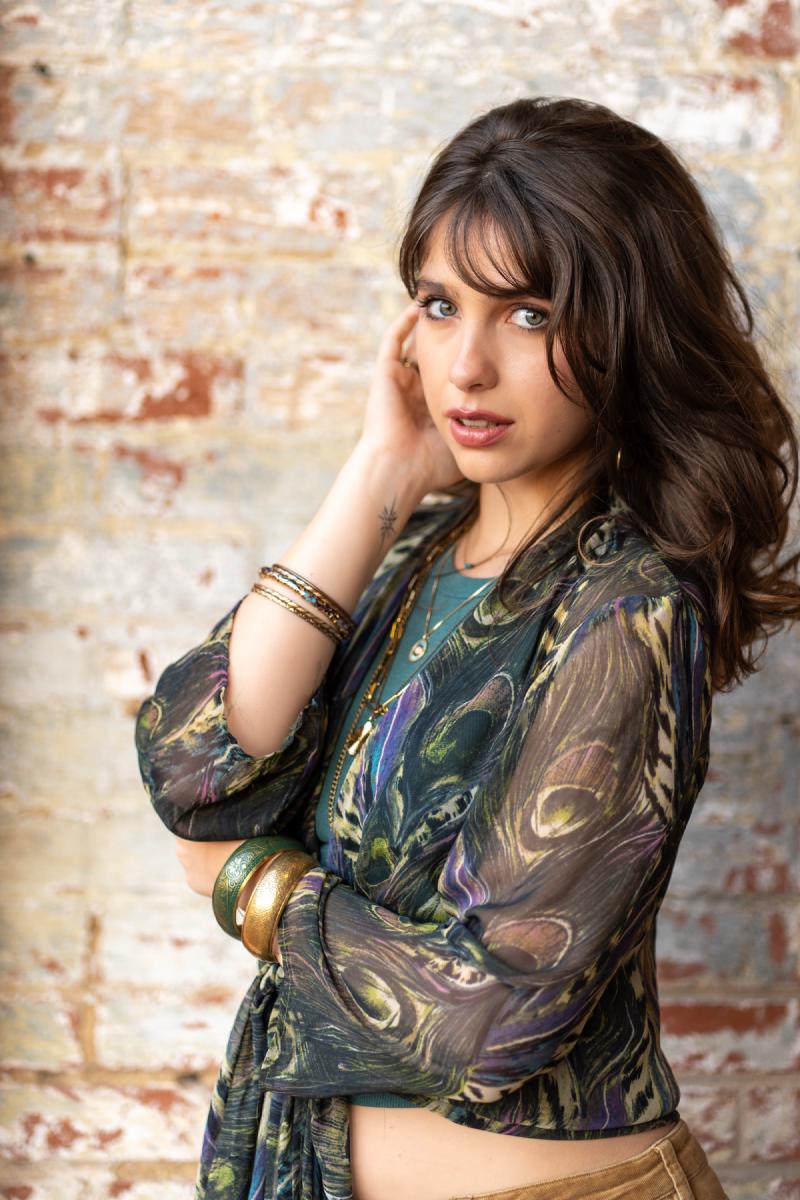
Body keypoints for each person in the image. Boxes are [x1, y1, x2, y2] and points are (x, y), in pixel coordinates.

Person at [134, 96, 800, 1200]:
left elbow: (488, 1016)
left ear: (621, 327)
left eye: (527, 315)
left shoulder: (625, 606)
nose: (467, 367)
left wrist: (253, 887)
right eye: (439, 307)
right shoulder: (416, 562)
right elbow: (195, 767)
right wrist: (379, 478)